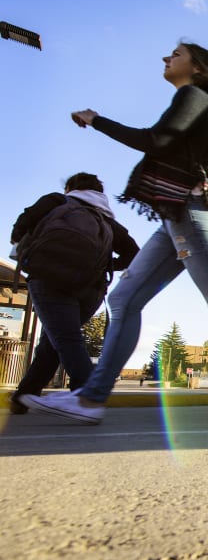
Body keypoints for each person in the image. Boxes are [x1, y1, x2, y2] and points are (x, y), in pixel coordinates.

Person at [24, 42, 208, 424]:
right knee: (124, 298)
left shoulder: (194, 96)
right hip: (178, 216)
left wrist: (97, 120)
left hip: (193, 215)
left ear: (199, 69)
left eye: (176, 54)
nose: (166, 58)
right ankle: (90, 398)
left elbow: (156, 140)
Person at [9, 172, 138, 414]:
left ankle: (87, 398)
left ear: (71, 187)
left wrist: (27, 248)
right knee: (55, 340)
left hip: (49, 278)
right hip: (90, 289)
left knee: (65, 339)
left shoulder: (57, 201)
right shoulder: (106, 220)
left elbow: (22, 224)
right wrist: (103, 265)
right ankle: (23, 397)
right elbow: (133, 254)